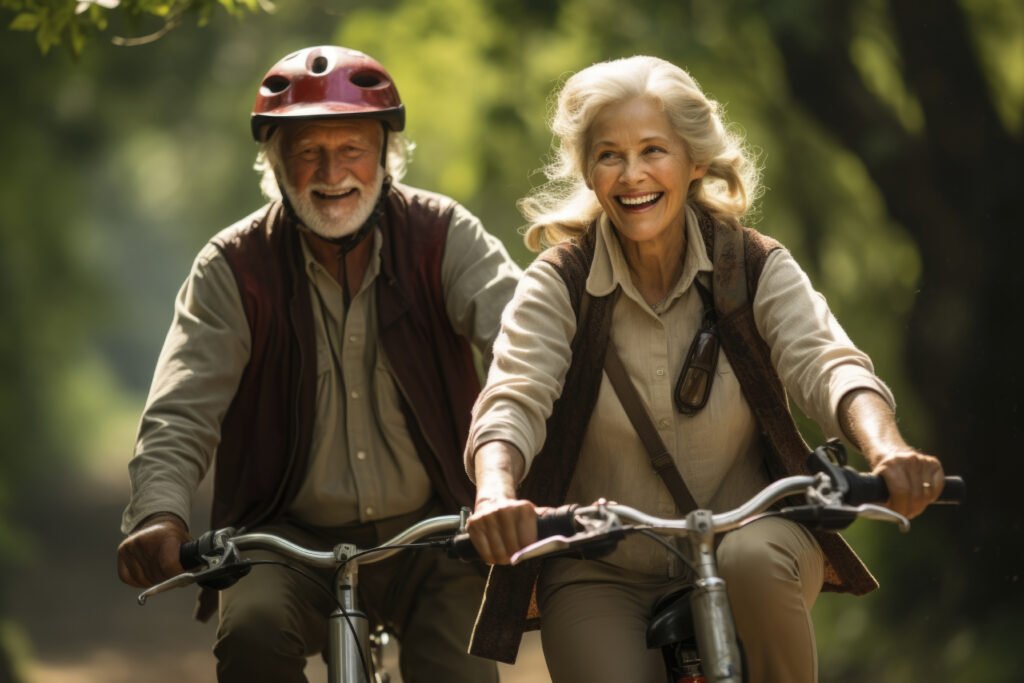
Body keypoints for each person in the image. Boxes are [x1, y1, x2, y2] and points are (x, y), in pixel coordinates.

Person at [463, 55, 946, 683]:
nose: (632, 174)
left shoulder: (751, 265)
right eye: (609, 154)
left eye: (654, 150)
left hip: (754, 538)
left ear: (694, 161)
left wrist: (888, 452)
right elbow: (512, 398)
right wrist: (495, 491)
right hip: (602, 565)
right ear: (588, 171)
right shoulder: (560, 283)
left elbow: (826, 364)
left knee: (750, 557)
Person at [116, 45, 519, 683]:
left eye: (352, 148)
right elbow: (181, 410)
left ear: (386, 155)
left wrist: (523, 478)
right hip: (283, 538)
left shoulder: (444, 235)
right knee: (250, 639)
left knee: (462, 672)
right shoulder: (232, 267)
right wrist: (159, 513)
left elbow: (526, 352)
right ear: (275, 163)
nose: (333, 172)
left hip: (435, 531)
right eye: (308, 152)